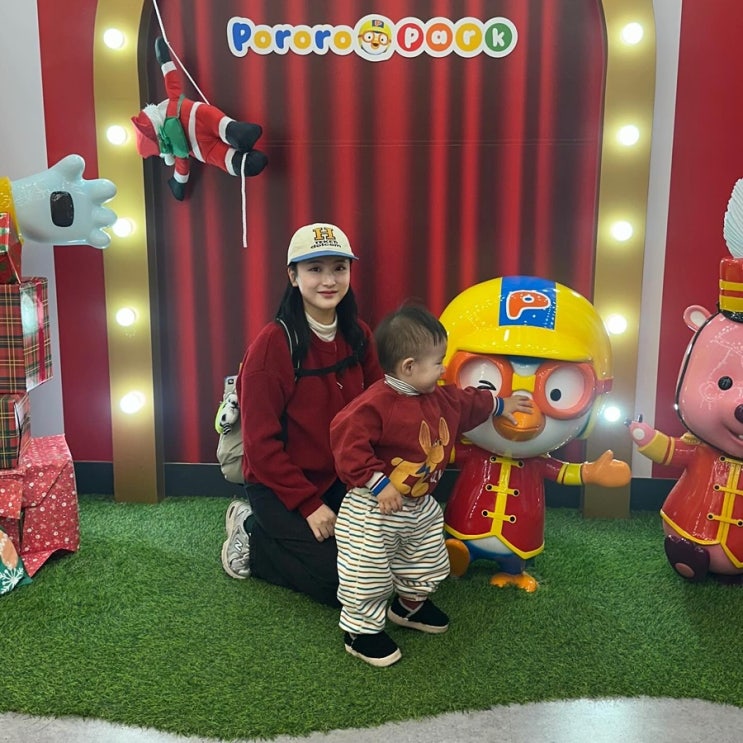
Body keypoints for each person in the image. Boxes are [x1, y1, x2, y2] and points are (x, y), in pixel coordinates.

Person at [329, 305, 533, 667]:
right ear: (409, 367)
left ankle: (409, 606)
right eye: (438, 362)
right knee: (367, 573)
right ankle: (360, 632)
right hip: (374, 507)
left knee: (426, 560)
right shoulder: (376, 404)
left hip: (419, 505)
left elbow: (468, 401)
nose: (443, 368)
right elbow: (346, 441)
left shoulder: (439, 397)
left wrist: (501, 403)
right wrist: (378, 483)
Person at [221, 222, 383, 606]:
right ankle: (251, 532)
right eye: (315, 269)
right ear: (293, 276)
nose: (328, 280)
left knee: (381, 566)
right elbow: (261, 448)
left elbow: (380, 408)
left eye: (339, 268)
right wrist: (310, 505)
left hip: (341, 477)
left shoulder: (358, 334)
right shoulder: (272, 346)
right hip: (279, 486)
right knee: (340, 585)